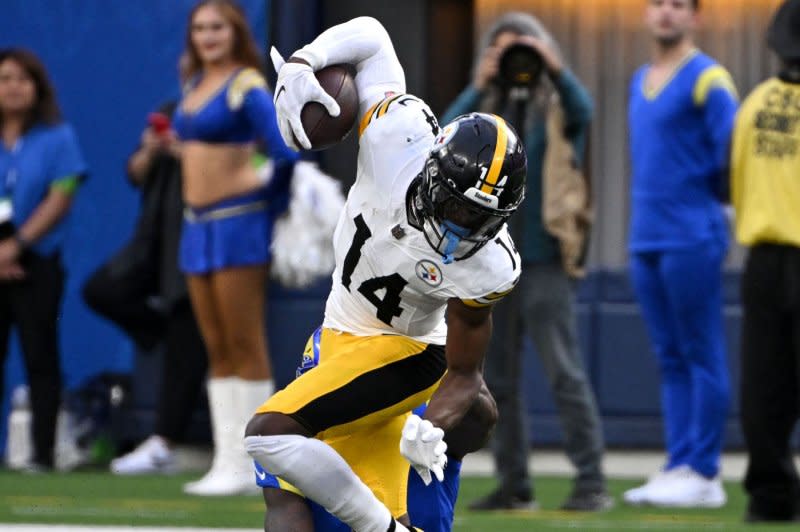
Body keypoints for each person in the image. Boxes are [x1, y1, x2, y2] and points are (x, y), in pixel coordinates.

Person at [244, 16, 527, 532]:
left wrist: (434, 425)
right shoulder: (399, 137)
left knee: (272, 437)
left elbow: (464, 372)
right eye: (456, 207)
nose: (461, 228)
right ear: (433, 171)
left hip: (410, 351)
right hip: (339, 338)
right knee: (280, 481)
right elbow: (373, 37)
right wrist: (307, 60)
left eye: (477, 219)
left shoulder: (489, 263)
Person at [441, 12, 610, 512]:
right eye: (507, 50)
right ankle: (514, 485)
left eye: (526, 50)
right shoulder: (484, 117)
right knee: (498, 380)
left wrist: (553, 68)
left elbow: (586, 108)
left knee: (565, 372)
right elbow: (444, 136)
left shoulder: (558, 112)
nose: (519, 61)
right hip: (489, 264)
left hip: (544, 261)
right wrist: (480, 84)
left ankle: (591, 481)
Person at [173, 0, 297, 496]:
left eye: (217, 27)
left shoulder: (247, 85)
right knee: (216, 346)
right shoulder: (190, 84)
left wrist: (267, 199)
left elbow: (285, 149)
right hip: (196, 226)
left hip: (238, 223)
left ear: (235, 31)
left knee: (245, 342)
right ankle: (226, 460)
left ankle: (254, 462)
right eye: (200, 28)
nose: (208, 36)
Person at [623, 0, 739, 508]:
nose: (666, 13)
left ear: (695, 17)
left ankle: (704, 471)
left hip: (692, 235)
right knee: (669, 357)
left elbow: (730, 159)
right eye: (658, 4)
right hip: (645, 235)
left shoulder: (709, 79)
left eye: (678, 5)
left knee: (701, 351)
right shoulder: (638, 79)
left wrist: (718, 211)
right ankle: (678, 465)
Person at [254, 327, 498, 532]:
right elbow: (286, 518)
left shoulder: (424, 416)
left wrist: (450, 378)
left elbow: (481, 424)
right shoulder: (286, 433)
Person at [82, 102, 210, 475]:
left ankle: (164, 443)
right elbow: (134, 173)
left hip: (199, 237)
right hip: (151, 243)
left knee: (189, 328)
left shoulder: (238, 104)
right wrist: (153, 148)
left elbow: (247, 168)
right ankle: (170, 337)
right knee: (101, 290)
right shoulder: (172, 109)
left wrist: (185, 151)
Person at [0, 48, 87, 472]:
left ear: (37, 87)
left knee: (40, 357)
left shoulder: (58, 137)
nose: (13, 86)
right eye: (4, 78)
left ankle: (42, 454)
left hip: (38, 261)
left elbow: (62, 193)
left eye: (22, 78)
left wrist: (14, 247)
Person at [731, 0, 800, 522]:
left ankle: (770, 494)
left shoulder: (755, 105)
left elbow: (733, 182)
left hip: (763, 258)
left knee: (763, 384)